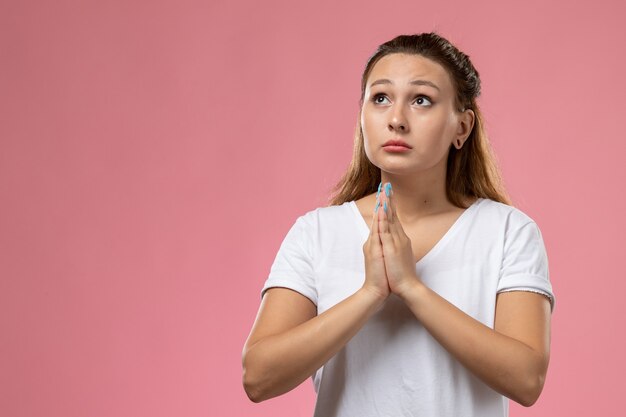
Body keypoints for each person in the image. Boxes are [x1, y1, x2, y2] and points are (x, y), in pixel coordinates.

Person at [241, 32, 555, 417]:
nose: (396, 119)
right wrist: (370, 294)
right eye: (380, 98)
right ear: (362, 117)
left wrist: (411, 288)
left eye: (421, 100)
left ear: (462, 127)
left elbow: (526, 379)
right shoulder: (317, 233)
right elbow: (257, 377)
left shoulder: (508, 231)